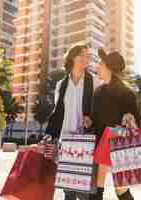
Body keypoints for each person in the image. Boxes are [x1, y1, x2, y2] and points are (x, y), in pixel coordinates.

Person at [42, 43, 102, 200]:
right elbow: (57, 113)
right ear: (72, 58)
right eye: (82, 54)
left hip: (86, 143)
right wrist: (49, 136)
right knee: (68, 191)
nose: (86, 58)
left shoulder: (94, 82)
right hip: (66, 143)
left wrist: (92, 119)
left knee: (84, 193)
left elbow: (101, 112)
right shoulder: (62, 85)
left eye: (88, 56)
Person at [92, 49, 140, 200]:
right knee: (96, 191)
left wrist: (130, 119)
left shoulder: (126, 93)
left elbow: (135, 123)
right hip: (100, 147)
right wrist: (88, 121)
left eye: (100, 63)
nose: (97, 66)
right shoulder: (98, 92)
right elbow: (95, 120)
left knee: (121, 191)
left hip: (120, 147)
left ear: (108, 67)